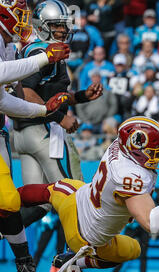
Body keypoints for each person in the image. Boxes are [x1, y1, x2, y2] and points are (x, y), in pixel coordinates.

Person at [18, 117, 159, 272]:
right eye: (153, 151)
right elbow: (153, 223)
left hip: (77, 198)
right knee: (131, 249)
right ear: (138, 147)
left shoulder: (121, 146)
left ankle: (8, 205)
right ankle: (74, 261)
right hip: (85, 235)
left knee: (50, 190)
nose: (158, 155)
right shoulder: (129, 175)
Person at [15, 0, 104, 230]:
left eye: (64, 26)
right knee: (75, 195)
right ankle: (72, 261)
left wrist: (82, 96)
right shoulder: (44, 52)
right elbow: (26, 92)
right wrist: (58, 117)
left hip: (23, 135)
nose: (63, 30)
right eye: (57, 25)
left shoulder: (33, 49)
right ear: (42, 25)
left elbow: (54, 93)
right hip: (44, 132)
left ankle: (4, 230)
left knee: (41, 202)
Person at [0, 0, 70, 272]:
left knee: (8, 203)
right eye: (20, 13)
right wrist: (43, 60)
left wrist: (43, 111)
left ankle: (27, 269)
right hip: (29, 136)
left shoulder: (7, 44)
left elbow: (3, 101)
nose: (23, 20)